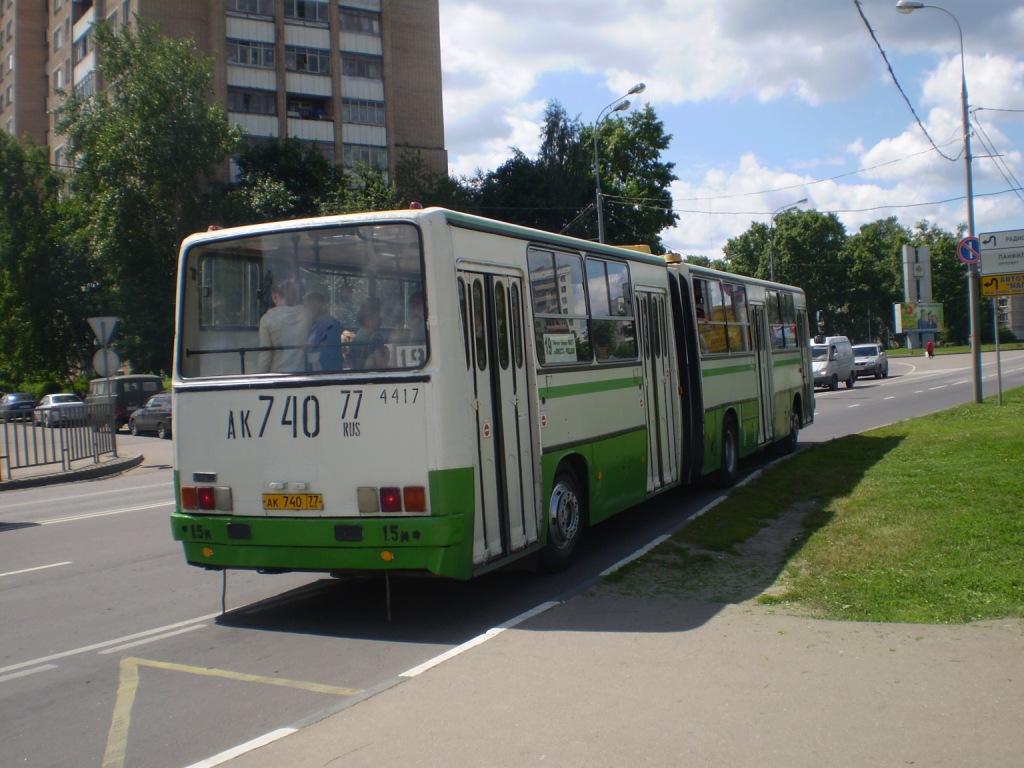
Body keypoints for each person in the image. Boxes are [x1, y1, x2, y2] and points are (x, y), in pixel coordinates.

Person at [257, 277, 311, 373]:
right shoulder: (307, 315)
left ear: (274, 296)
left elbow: (266, 354)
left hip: (277, 377)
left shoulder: (267, 320)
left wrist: (259, 377)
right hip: (302, 374)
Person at [304, 291, 343, 371]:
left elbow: (328, 354)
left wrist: (306, 354)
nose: (304, 312)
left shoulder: (327, 325)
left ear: (314, 308)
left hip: (328, 374)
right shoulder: (318, 324)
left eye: (306, 307)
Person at [348, 298, 387, 369]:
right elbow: (379, 362)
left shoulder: (357, 336)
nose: (380, 320)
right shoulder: (376, 337)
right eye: (377, 317)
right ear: (368, 320)